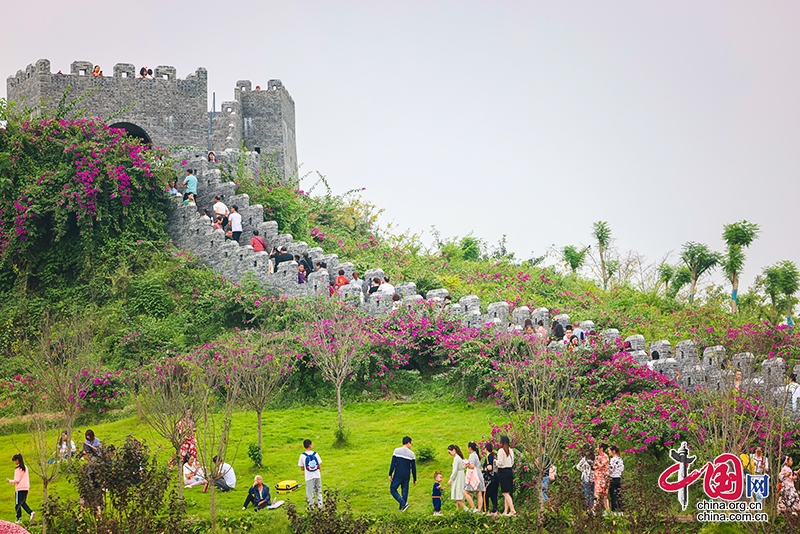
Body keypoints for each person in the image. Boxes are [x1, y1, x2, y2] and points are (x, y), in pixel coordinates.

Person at [389, 436, 417, 511]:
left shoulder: (396, 451)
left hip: (398, 473)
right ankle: (402, 509)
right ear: (408, 443)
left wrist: (390, 474)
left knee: (392, 489)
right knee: (404, 491)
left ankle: (403, 504)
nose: (411, 445)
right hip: (407, 474)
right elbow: (413, 467)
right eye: (411, 444)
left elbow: (393, 463)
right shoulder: (412, 454)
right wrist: (415, 478)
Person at [7, 454, 33, 524]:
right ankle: (22, 517)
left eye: (14, 461)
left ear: (17, 460)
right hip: (26, 487)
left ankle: (22, 517)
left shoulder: (18, 469)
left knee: (18, 504)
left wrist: (10, 480)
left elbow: (17, 480)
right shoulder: (25, 467)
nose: (14, 462)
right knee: (22, 502)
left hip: (19, 488)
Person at [496, 436, 516, 516]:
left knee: (505, 493)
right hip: (509, 471)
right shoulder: (511, 450)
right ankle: (505, 511)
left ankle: (512, 510)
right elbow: (512, 462)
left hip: (503, 472)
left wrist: (495, 461)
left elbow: (500, 462)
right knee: (507, 492)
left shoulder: (501, 450)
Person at [299, 439, 322, 508]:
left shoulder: (302, 456)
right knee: (318, 491)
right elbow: (319, 466)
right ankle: (320, 506)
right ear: (310, 445)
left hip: (308, 477)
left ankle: (311, 508)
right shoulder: (316, 454)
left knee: (310, 493)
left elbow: (302, 468)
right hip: (317, 475)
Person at [464, 442, 485, 513]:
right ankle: (479, 510)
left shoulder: (472, 455)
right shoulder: (476, 455)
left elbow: (472, 466)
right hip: (479, 475)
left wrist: (466, 464)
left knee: (465, 492)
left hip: (474, 476)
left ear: (470, 448)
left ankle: (474, 508)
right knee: (479, 493)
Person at [446, 444, 466, 511]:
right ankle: (457, 510)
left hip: (458, 477)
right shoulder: (458, 457)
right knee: (458, 495)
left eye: (450, 452)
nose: (450, 454)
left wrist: (451, 479)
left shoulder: (456, 458)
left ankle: (467, 509)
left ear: (454, 450)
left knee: (458, 496)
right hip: (460, 475)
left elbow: (454, 470)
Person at [575, 444, 595, 510]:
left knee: (592, 493)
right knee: (587, 493)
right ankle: (588, 507)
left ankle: (592, 507)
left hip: (593, 477)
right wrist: (583, 470)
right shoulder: (584, 459)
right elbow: (578, 466)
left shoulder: (594, 458)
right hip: (586, 477)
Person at [593, 443, 610, 513]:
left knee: (601, 495)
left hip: (603, 478)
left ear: (601, 448)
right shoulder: (598, 456)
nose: (596, 449)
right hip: (597, 478)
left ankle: (595, 510)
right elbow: (594, 467)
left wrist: (597, 462)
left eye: (597, 447)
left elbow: (601, 466)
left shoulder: (605, 456)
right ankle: (597, 510)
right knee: (597, 494)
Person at [483, 443, 499, 516]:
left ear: (486, 449)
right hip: (496, 477)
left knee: (485, 494)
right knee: (494, 494)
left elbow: (490, 468)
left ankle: (485, 509)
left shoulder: (488, 457)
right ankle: (495, 509)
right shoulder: (494, 456)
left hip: (490, 478)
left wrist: (483, 469)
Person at [609, 445, 624, 514]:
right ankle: (621, 508)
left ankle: (614, 509)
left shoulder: (613, 459)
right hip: (618, 477)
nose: (609, 452)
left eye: (609, 451)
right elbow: (622, 468)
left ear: (613, 451)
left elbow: (611, 469)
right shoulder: (620, 459)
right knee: (618, 493)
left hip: (613, 478)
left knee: (613, 494)